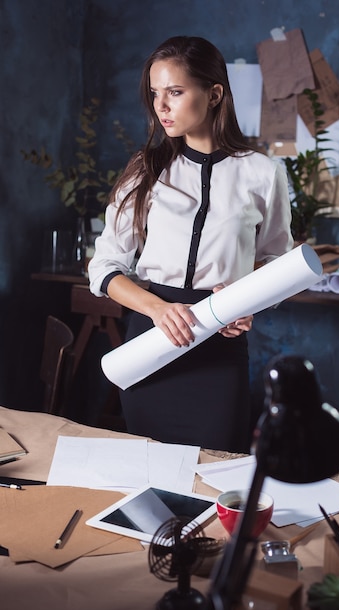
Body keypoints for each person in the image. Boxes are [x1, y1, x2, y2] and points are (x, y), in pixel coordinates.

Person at [89, 35, 293, 453]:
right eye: (154, 93)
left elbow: (278, 262)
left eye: (175, 92)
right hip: (150, 341)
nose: (161, 106)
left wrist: (245, 302)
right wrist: (158, 310)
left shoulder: (263, 173)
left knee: (216, 469)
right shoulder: (143, 171)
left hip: (220, 342)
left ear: (214, 94)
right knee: (148, 467)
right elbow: (105, 267)